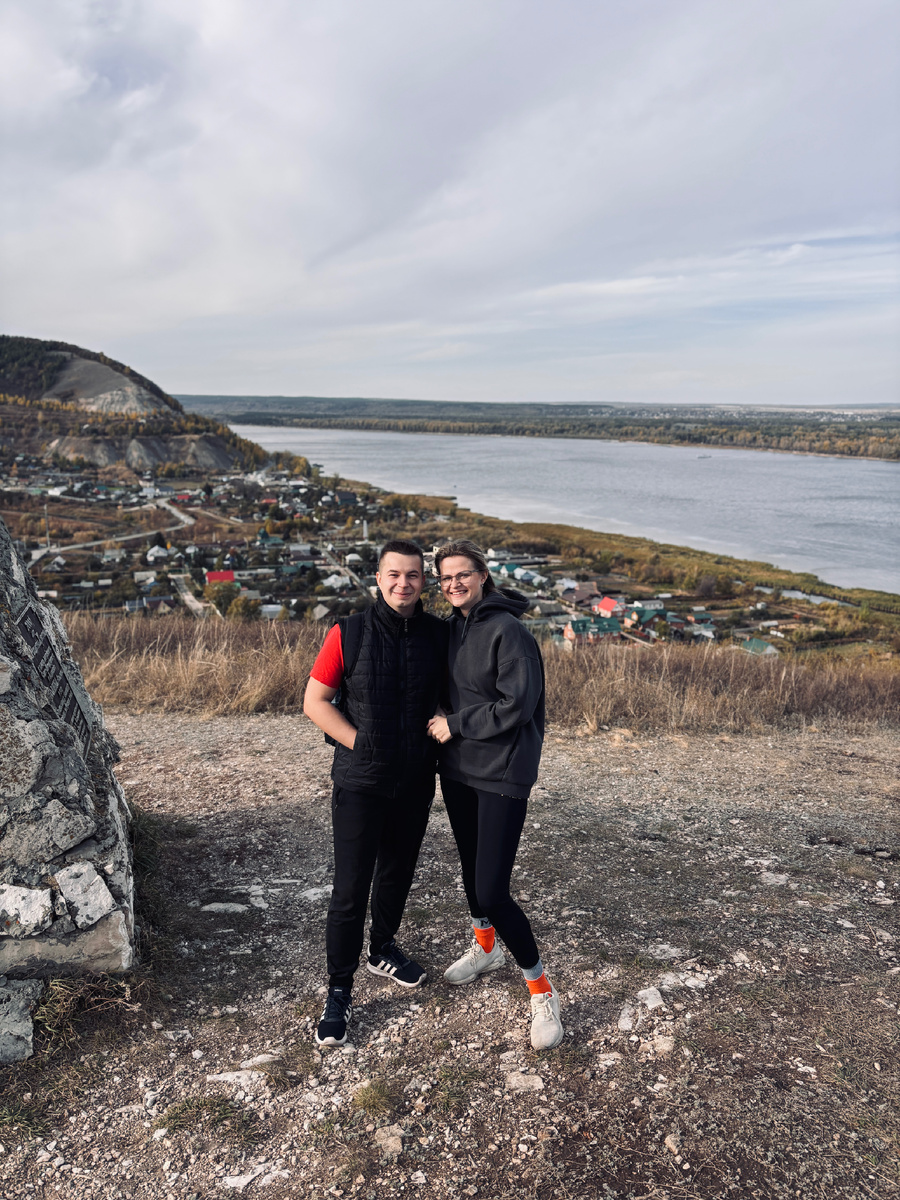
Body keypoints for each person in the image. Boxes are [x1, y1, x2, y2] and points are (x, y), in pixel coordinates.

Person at [303, 539, 448, 1046]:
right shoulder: (350, 632)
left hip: (414, 781)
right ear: (378, 578)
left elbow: (459, 694)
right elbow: (315, 701)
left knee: (397, 873)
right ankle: (339, 990)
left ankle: (382, 946)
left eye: (412, 575)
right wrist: (359, 743)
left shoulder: (439, 635)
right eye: (394, 574)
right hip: (360, 782)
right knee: (349, 891)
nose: (403, 583)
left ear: (423, 582)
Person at [426, 539, 563, 1051]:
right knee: (470, 870)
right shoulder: (454, 628)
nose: (454, 584)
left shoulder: (510, 632)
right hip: (459, 769)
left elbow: (517, 705)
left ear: (483, 575)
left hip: (502, 773)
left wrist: (454, 723)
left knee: (492, 889)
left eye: (463, 574)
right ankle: (486, 948)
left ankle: (541, 988)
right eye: (446, 578)